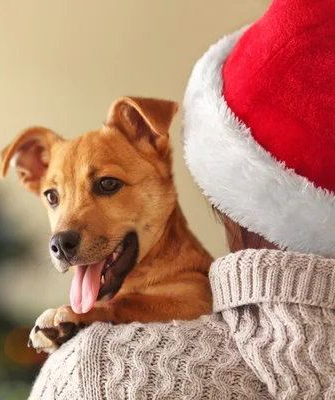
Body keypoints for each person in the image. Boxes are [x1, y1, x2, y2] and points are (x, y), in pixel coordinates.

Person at [28, 0, 335, 398]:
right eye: (53, 197)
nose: (66, 225)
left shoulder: (93, 369)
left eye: (106, 186)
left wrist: (107, 316)